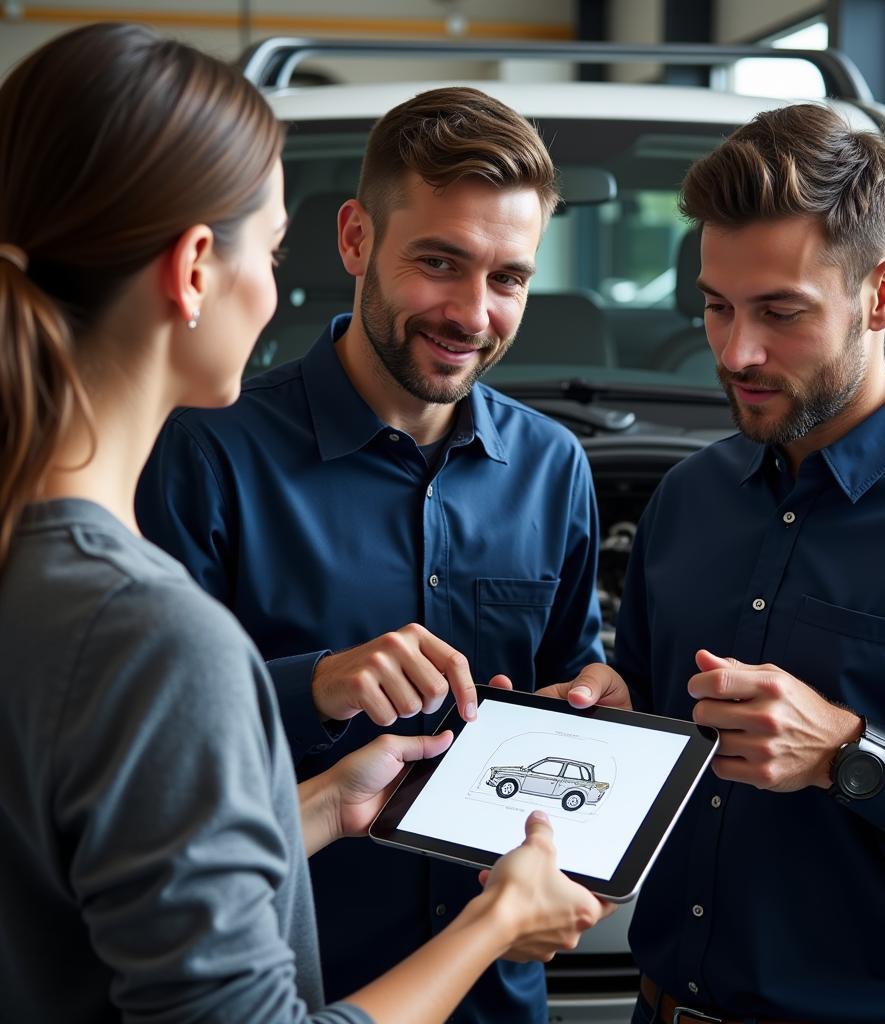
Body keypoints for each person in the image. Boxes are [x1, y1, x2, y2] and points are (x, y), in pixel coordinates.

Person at [0, 23, 609, 1024]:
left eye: (508, 278)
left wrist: (332, 803)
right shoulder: (171, 550)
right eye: (272, 250)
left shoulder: (553, 467)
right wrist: (489, 923)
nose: (471, 310)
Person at [552, 103, 885, 1023]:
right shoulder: (689, 498)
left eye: (780, 313)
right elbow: (659, 718)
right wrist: (614, 712)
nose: (736, 352)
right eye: (716, 307)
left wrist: (852, 754)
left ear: (882, 295)